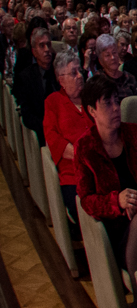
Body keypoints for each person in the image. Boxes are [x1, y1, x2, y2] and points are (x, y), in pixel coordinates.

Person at [76, 75, 137, 267]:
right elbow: (86, 200)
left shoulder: (134, 133)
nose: (116, 108)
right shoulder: (85, 147)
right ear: (92, 111)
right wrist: (117, 201)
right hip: (116, 227)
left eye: (117, 101)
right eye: (107, 103)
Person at [44, 51, 93, 224]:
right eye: (73, 73)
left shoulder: (90, 99)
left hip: (100, 168)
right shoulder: (53, 102)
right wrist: (84, 157)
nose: (80, 76)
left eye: (79, 71)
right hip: (73, 175)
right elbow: (54, 141)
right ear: (61, 79)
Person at [14, 27, 58, 140]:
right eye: (42, 46)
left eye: (48, 45)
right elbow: (27, 116)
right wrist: (49, 128)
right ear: (34, 52)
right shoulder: (26, 78)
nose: (47, 49)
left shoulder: (59, 72)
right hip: (42, 132)